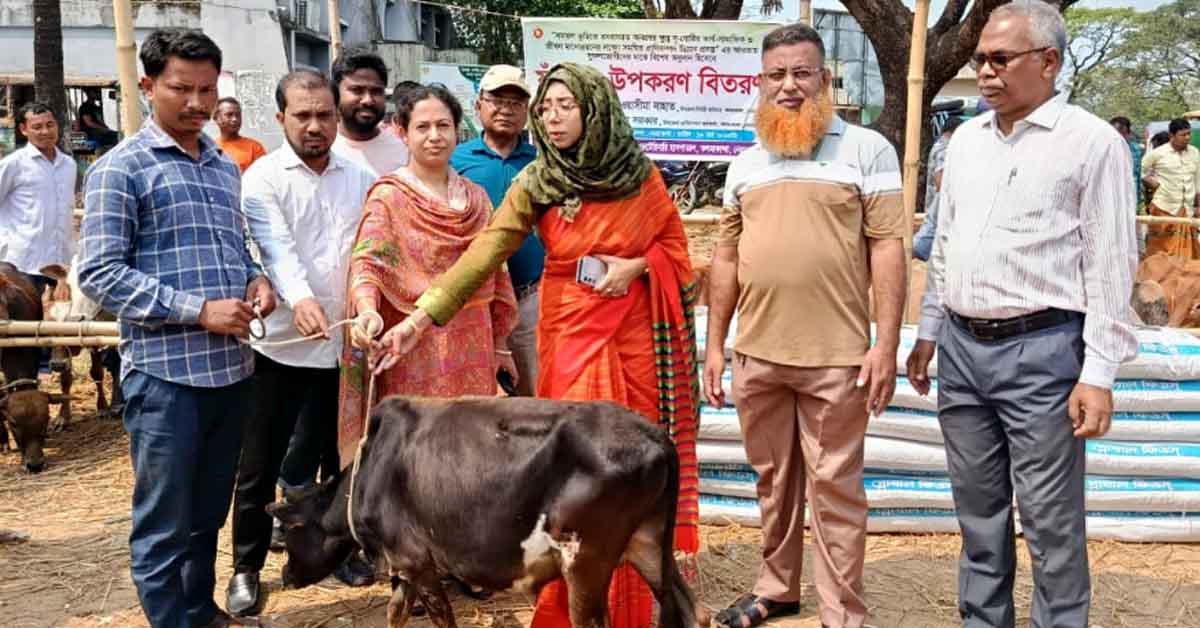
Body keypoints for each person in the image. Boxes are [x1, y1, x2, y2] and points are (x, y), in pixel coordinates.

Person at [353, 63, 701, 628]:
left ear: (596, 110)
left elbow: (679, 257)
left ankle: (639, 607)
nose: (553, 116)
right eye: (548, 106)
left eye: (567, 105)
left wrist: (638, 265)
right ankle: (570, 606)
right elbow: (484, 253)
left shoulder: (643, 178)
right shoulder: (538, 181)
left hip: (633, 333)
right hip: (569, 334)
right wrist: (420, 320)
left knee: (627, 472)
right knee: (569, 476)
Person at [906, 2, 1138, 626]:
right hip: (961, 348)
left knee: (1049, 520)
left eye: (1000, 59)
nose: (984, 71)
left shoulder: (1092, 145)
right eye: (981, 58)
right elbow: (947, 242)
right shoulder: (967, 143)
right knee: (979, 517)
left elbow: (1112, 264)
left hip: (1043, 353)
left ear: (1050, 62)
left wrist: (1100, 373)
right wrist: (928, 333)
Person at [703, 23, 907, 628]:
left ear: (825, 78)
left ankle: (841, 612)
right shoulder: (744, 164)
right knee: (773, 481)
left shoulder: (866, 150)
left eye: (801, 72)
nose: (788, 85)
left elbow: (887, 249)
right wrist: (715, 346)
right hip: (757, 354)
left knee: (836, 488)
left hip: (836, 356)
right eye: (776, 75)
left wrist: (884, 344)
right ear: (760, 83)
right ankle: (777, 588)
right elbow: (726, 258)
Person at [76, 29, 276, 628]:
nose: (196, 102)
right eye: (180, 88)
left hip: (231, 372)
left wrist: (255, 281)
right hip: (166, 378)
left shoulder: (221, 166)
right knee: (165, 522)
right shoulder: (122, 169)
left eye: (207, 90)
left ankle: (199, 610)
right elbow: (99, 275)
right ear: (147, 86)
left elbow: (234, 249)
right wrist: (197, 309)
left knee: (207, 513)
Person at [224, 70, 378, 617]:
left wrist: (364, 306)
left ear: (337, 117)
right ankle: (246, 566)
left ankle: (336, 552)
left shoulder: (359, 176)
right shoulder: (262, 179)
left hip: (343, 348)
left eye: (324, 116)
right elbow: (276, 248)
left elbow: (369, 250)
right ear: (281, 117)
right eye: (303, 116)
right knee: (259, 463)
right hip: (280, 347)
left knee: (334, 462)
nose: (315, 126)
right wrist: (301, 298)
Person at [340, 83, 518, 446]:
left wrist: (500, 345)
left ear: (457, 131)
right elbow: (369, 262)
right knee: (416, 445)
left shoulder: (476, 198)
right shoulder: (390, 196)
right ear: (402, 132)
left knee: (471, 442)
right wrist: (367, 310)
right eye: (423, 127)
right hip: (410, 344)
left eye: (444, 126)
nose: (434, 136)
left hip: (473, 339)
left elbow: (496, 274)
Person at [450, 65, 543, 396]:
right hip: (473, 300)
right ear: (478, 105)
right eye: (497, 100)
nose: (506, 109)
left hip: (530, 298)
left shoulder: (541, 162)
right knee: (476, 397)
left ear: (527, 112)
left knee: (534, 396)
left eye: (516, 103)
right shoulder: (455, 159)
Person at [0, 102, 76, 296]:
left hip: (61, 266)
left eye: (50, 125)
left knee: (62, 323)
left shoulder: (69, 165)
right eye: (37, 127)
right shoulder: (13, 164)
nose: (45, 131)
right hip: (22, 266)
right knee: (24, 325)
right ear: (23, 130)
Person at [330, 48, 408, 176]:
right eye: (357, 90)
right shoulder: (323, 150)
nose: (368, 100)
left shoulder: (403, 153)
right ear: (335, 93)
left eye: (376, 91)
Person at [1142, 118, 1200, 259]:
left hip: (1186, 211)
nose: (1187, 138)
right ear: (1171, 136)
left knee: (1187, 254)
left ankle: (1182, 279)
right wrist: (1151, 182)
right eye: (1183, 135)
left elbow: (1197, 180)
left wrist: (1198, 205)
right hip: (1164, 208)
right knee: (1161, 252)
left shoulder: (1194, 152)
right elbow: (1140, 171)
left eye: (1188, 134)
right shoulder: (1158, 153)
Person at [914, 116, 963, 261]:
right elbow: (941, 179)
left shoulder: (938, 145)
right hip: (939, 202)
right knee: (928, 235)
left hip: (933, 202)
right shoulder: (945, 148)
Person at [214, 97, 267, 173]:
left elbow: (264, 176)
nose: (235, 119)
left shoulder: (254, 148)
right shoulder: (210, 149)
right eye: (229, 115)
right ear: (216, 118)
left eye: (238, 115)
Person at [1110, 116, 1143, 207]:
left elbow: (1138, 174)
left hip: (1131, 199)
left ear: (1128, 133)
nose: (1118, 137)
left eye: (1121, 133)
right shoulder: (1105, 150)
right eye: (1114, 133)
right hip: (1112, 200)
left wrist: (1139, 199)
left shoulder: (1136, 150)